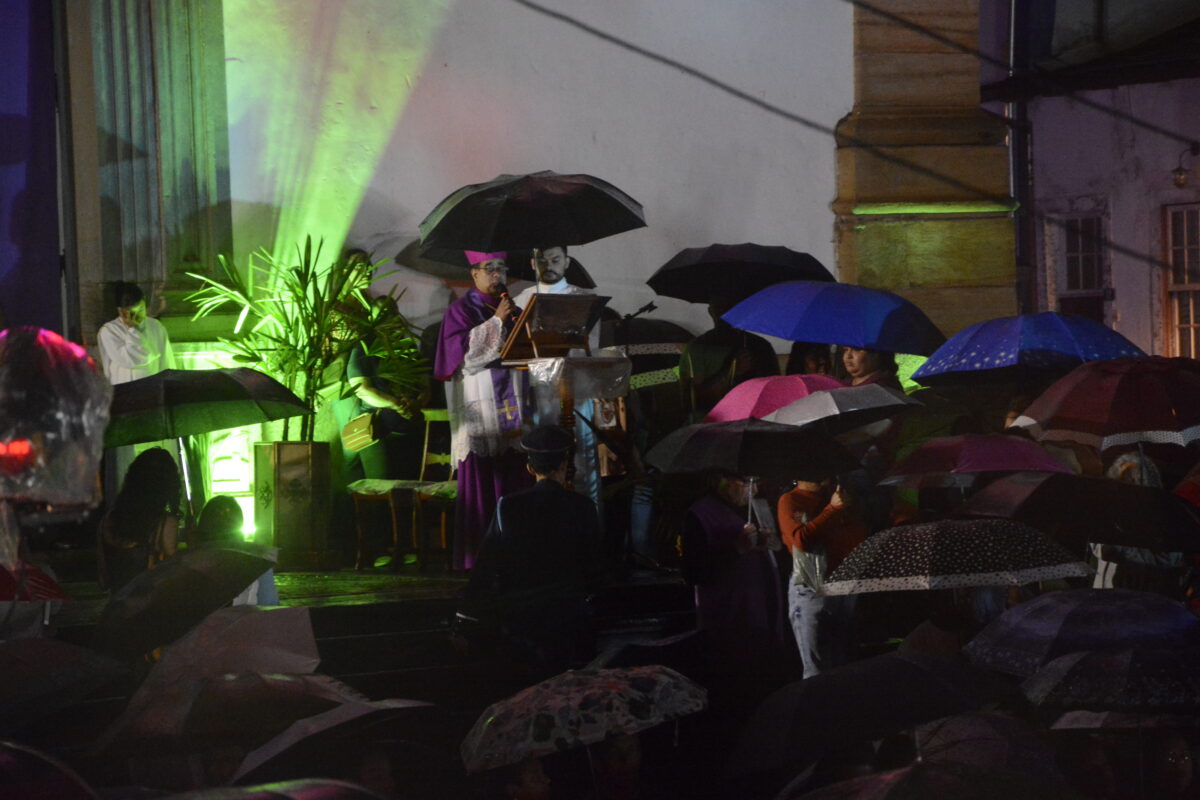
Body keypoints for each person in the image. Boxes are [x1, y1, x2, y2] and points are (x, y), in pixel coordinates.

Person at [462, 425, 603, 671]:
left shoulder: (508, 506)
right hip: (568, 617)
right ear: (564, 465)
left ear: (529, 467)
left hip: (520, 619)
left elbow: (486, 563)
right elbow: (595, 564)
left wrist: (466, 618)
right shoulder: (583, 506)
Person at [434, 251, 534, 570]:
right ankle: (480, 557)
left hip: (514, 401)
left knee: (516, 477)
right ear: (473, 274)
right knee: (483, 480)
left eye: (501, 268)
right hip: (480, 405)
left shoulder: (512, 307)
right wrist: (497, 322)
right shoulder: (461, 310)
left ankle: (517, 555)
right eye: (489, 269)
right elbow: (462, 356)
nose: (496, 275)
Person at [514, 245, 605, 513]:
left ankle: (588, 522)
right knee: (542, 459)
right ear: (533, 264)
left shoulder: (583, 299)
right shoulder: (521, 301)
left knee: (582, 458)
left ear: (567, 262)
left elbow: (590, 349)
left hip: (575, 390)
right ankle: (545, 521)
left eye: (555, 260)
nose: (549, 266)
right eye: (542, 261)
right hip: (538, 392)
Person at [681, 473, 788, 675]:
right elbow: (693, 573)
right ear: (724, 481)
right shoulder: (700, 514)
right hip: (728, 623)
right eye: (748, 483)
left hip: (765, 618)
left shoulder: (756, 508)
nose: (754, 490)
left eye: (756, 482)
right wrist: (736, 549)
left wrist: (767, 543)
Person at [778, 478, 867, 677]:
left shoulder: (835, 496)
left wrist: (847, 511)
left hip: (843, 583)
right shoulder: (790, 500)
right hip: (810, 582)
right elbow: (800, 541)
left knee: (842, 659)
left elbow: (858, 536)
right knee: (815, 665)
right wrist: (831, 509)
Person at [679, 293, 778, 421]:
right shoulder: (698, 347)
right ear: (711, 312)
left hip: (754, 421)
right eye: (720, 308)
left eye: (730, 308)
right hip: (712, 424)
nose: (725, 314)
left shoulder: (760, 346)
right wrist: (731, 371)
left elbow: (775, 391)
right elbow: (694, 399)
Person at [96, 447, 181, 593]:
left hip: (117, 603)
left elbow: (103, 581)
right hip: (151, 603)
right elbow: (174, 576)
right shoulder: (165, 524)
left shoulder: (107, 520)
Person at [97, 281, 175, 384]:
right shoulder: (109, 331)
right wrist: (132, 329)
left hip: (152, 386)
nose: (138, 315)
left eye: (141, 309)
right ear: (121, 311)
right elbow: (131, 359)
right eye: (133, 313)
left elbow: (166, 360)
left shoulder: (155, 326)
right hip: (124, 387)